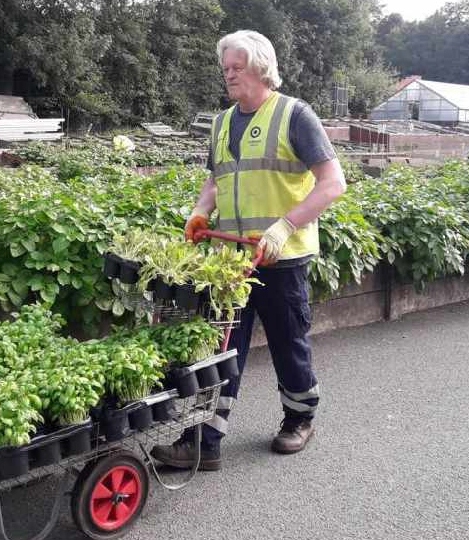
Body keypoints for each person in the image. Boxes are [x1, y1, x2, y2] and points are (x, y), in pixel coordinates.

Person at [151, 30, 346, 470]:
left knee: (287, 340)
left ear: (261, 67)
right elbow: (215, 180)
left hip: (283, 255)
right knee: (222, 346)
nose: (229, 75)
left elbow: (334, 183)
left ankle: (299, 418)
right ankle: (205, 440)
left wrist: (285, 226)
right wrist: (200, 211)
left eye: (237, 67)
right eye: (225, 69)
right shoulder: (221, 123)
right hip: (232, 260)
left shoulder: (295, 115)